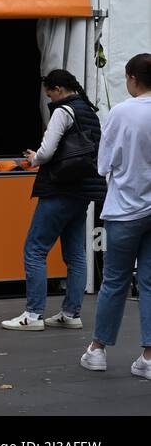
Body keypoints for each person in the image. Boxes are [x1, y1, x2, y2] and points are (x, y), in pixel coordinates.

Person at [1, 70, 104, 332]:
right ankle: (71, 313)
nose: (49, 97)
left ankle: (33, 314)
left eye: (49, 92)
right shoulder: (89, 111)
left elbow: (47, 153)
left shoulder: (64, 111)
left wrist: (34, 158)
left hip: (59, 188)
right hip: (82, 191)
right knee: (75, 253)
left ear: (58, 89)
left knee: (35, 249)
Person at [80, 53, 151, 379]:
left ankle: (98, 349)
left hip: (124, 209)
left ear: (132, 79)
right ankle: (148, 356)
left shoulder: (120, 113)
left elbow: (103, 164)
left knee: (114, 282)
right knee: (149, 283)